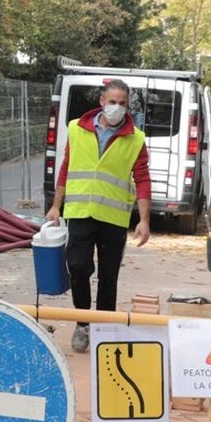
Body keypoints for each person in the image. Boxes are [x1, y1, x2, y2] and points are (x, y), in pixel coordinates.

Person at [45, 79, 152, 352]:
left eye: (123, 103)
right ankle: (83, 323)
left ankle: (105, 329)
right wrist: (56, 205)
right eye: (113, 102)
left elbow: (142, 178)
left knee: (108, 276)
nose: (118, 107)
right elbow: (66, 167)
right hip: (80, 212)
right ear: (102, 102)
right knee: (78, 267)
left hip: (113, 218)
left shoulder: (135, 138)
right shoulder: (76, 128)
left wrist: (144, 220)